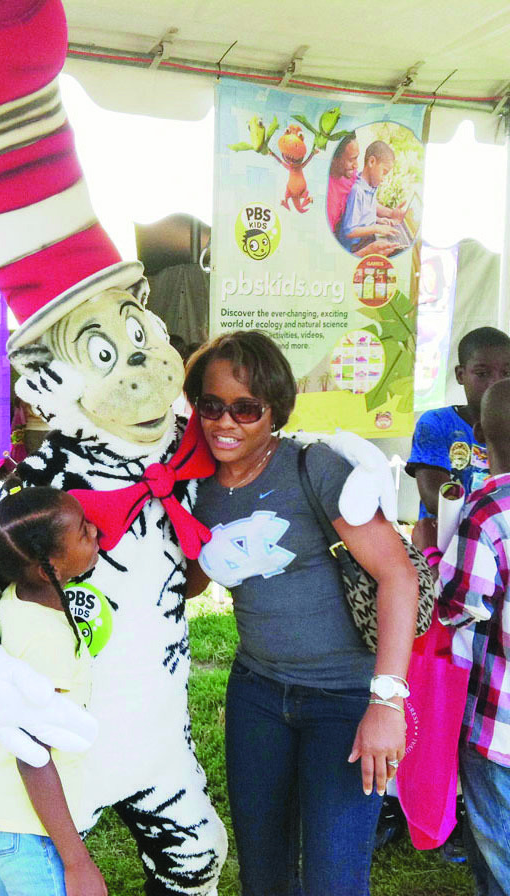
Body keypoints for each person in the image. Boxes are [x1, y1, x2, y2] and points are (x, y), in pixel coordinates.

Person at [184, 330, 419, 896]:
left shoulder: (314, 469)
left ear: (275, 411)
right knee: (263, 876)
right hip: (258, 694)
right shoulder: (199, 487)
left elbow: (398, 576)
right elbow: (192, 583)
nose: (225, 423)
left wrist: (386, 702)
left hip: (344, 700)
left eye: (245, 409)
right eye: (211, 406)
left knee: (333, 880)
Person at [0, 483, 106, 896]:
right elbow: (32, 755)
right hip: (30, 830)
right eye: (82, 531)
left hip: (13, 820)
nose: (95, 530)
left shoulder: (27, 595)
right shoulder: (42, 639)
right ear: (48, 568)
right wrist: (76, 861)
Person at [437, 376, 510, 895]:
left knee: (499, 845)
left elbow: (458, 608)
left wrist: (432, 559)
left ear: (479, 433)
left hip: (498, 727)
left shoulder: (486, 509)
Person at [406, 326, 510, 518]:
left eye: (506, 373)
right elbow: (436, 500)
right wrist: (489, 521)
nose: (495, 383)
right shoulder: (437, 423)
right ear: (460, 375)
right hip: (444, 544)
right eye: (482, 374)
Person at [338, 140, 404, 254]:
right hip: (355, 246)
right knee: (391, 251)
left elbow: (364, 213)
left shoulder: (370, 187)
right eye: (384, 172)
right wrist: (377, 228)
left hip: (366, 237)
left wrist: (378, 220)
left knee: (394, 245)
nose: (383, 178)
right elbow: (349, 231)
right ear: (372, 162)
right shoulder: (357, 191)